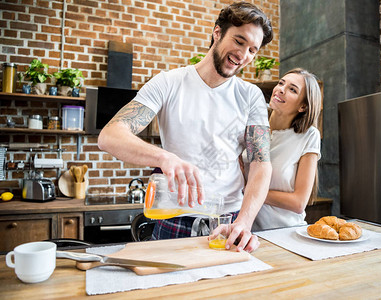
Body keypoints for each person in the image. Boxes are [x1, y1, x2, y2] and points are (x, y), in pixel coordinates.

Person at [98, 2, 273, 252]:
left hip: (227, 222)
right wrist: (164, 157)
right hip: (174, 218)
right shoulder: (168, 83)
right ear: (217, 33)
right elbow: (110, 135)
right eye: (239, 41)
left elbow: (260, 163)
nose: (244, 55)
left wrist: (244, 222)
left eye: (253, 50)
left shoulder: (251, 96)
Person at [242, 68, 322, 231]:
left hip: (285, 232)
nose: (281, 89)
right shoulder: (253, 127)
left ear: (303, 106)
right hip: (246, 231)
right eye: (281, 83)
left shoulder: (308, 135)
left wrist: (249, 191)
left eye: (292, 89)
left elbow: (298, 202)